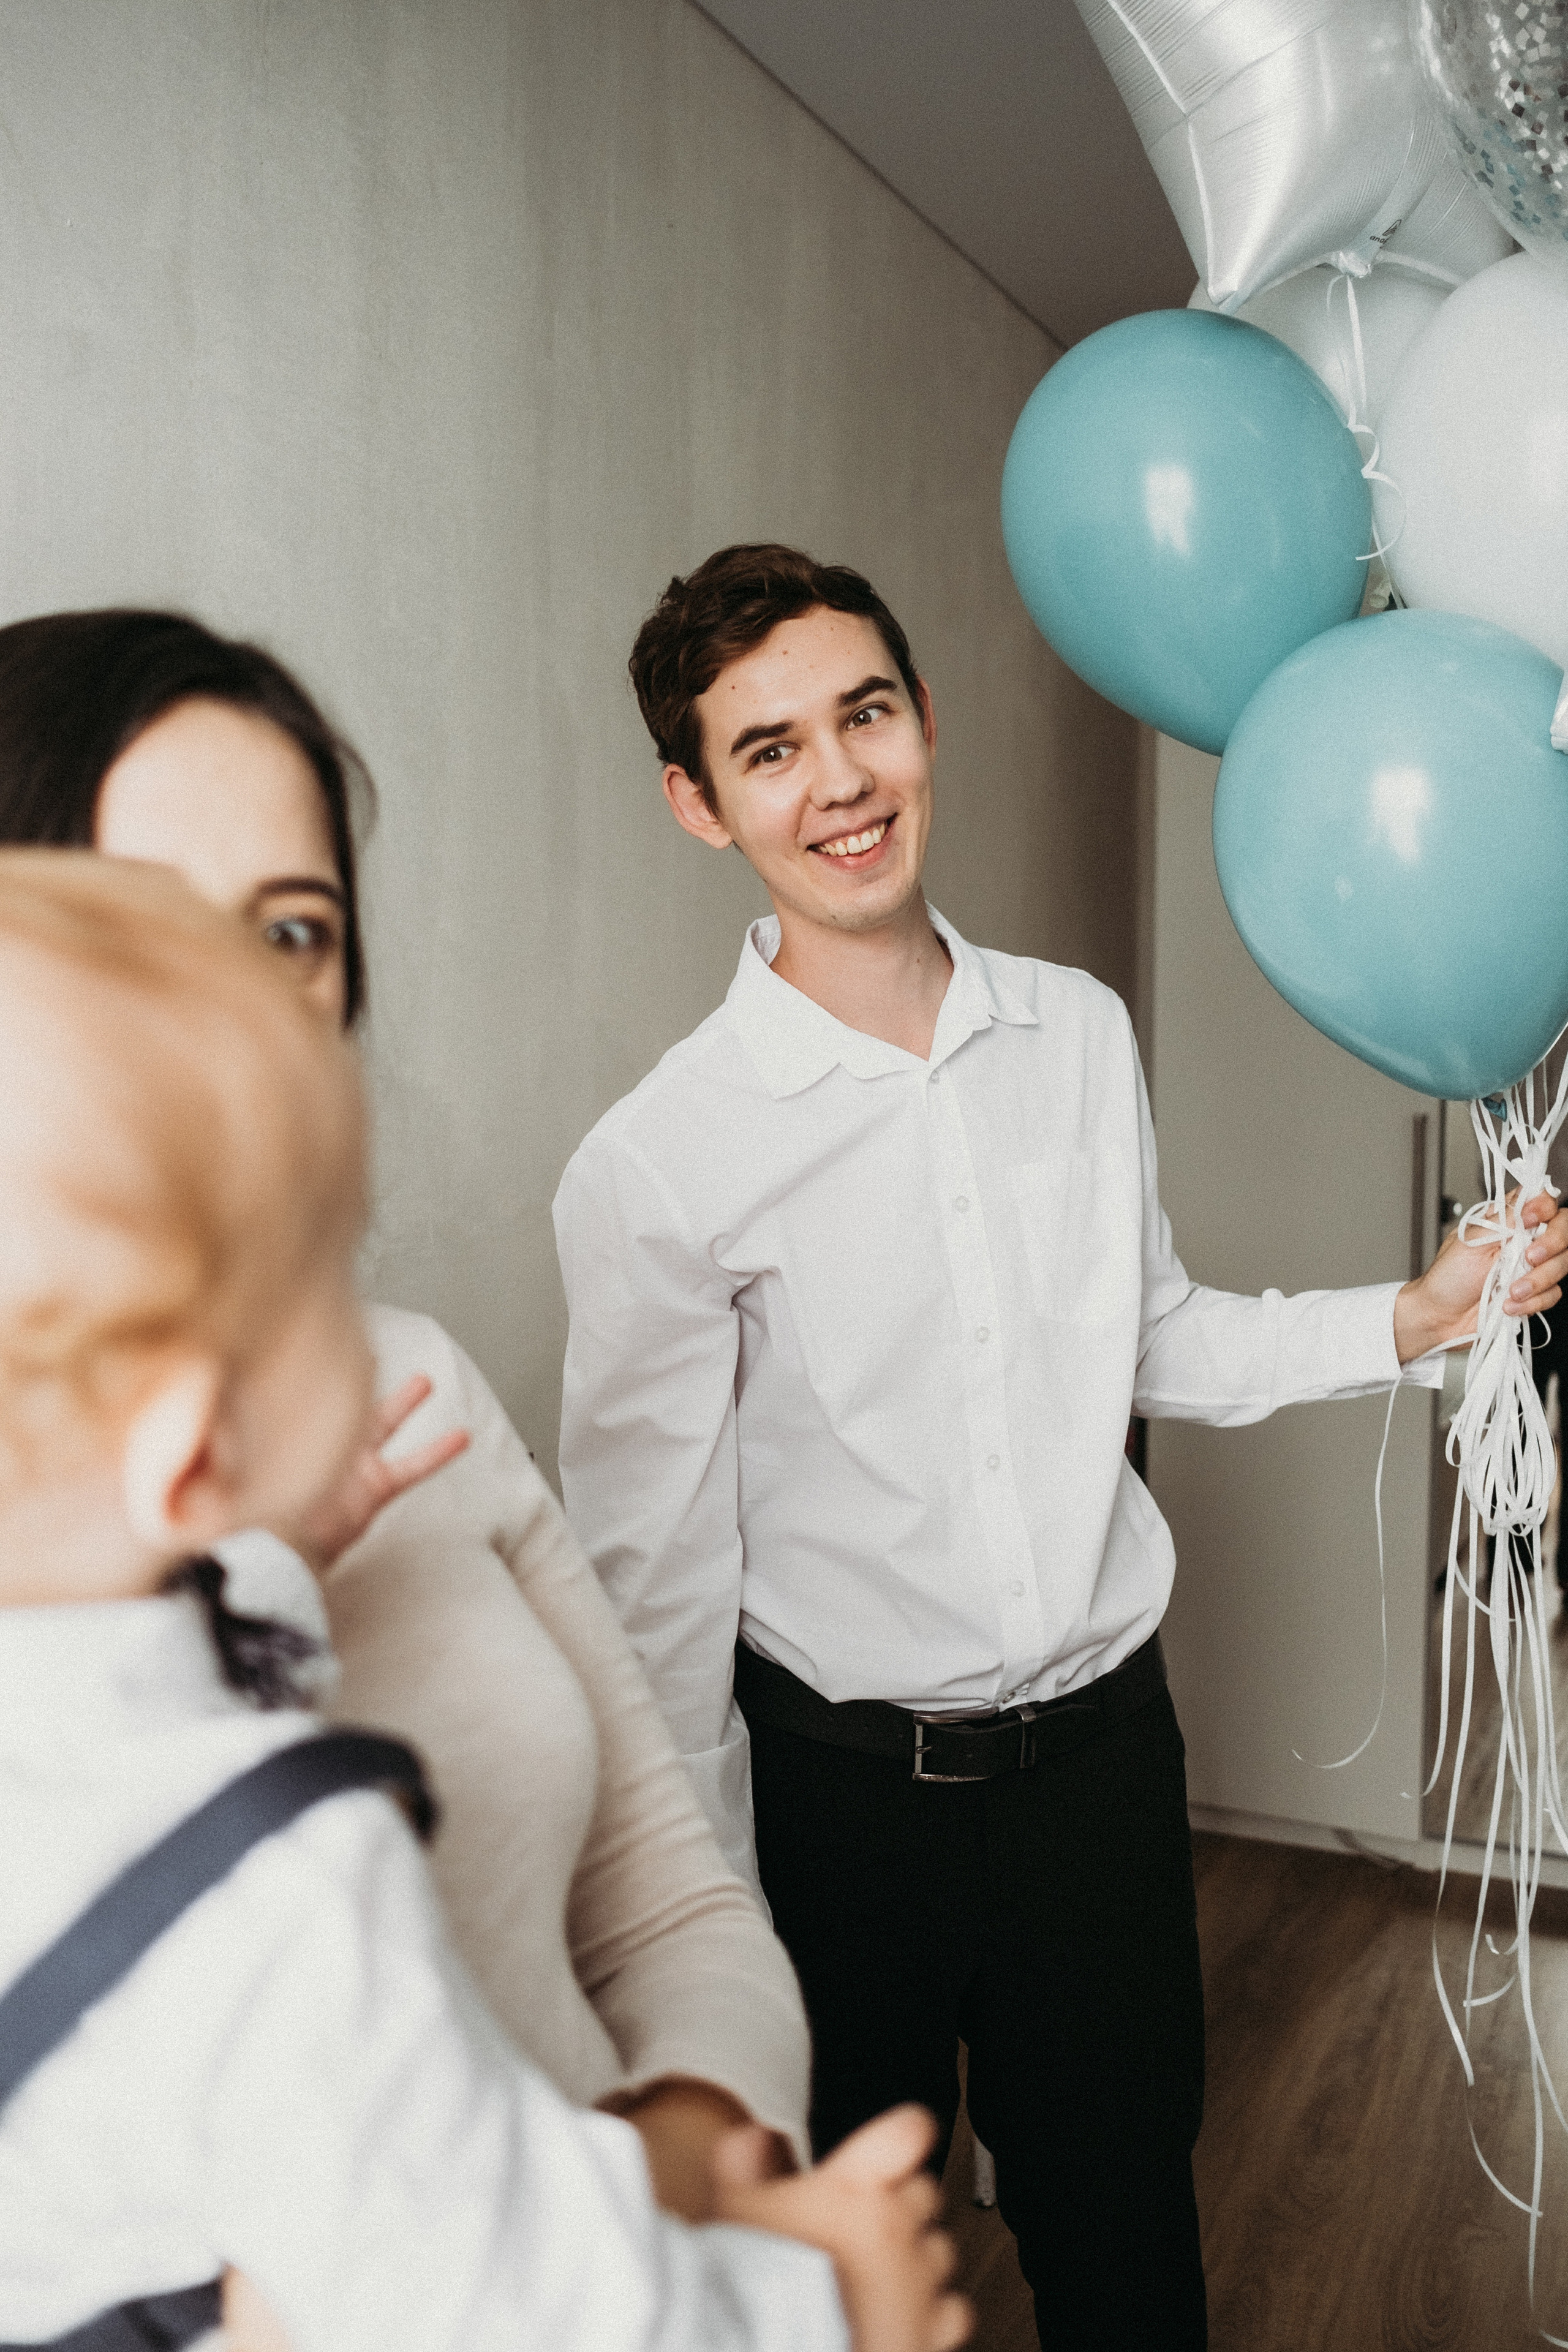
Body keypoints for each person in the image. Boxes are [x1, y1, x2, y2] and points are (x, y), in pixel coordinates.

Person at [551, 541, 1568, 2350]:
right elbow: (652, 1589)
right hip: (828, 1814)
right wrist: (697, 1952)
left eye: (864, 714)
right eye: (768, 749)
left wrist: (1410, 1320)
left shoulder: (1081, 1035)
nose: (840, 781)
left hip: (1099, 1775)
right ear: (697, 806)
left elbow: (1148, 1335)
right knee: (839, 2292)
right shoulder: (661, 1160)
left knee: (1124, 2246)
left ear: (924, 722)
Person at [0, 850, 970, 2352]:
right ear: (195, 1454)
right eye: (321, 1279)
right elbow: (511, 2311)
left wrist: (268, 1559)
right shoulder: (286, 1886)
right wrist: (824, 2301)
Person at [0, 608, 811, 2218]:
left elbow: (676, 1906)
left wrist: (695, 2187)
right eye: (143, 918)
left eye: (293, 931)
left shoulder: (414, 1380)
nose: (235, 1003)